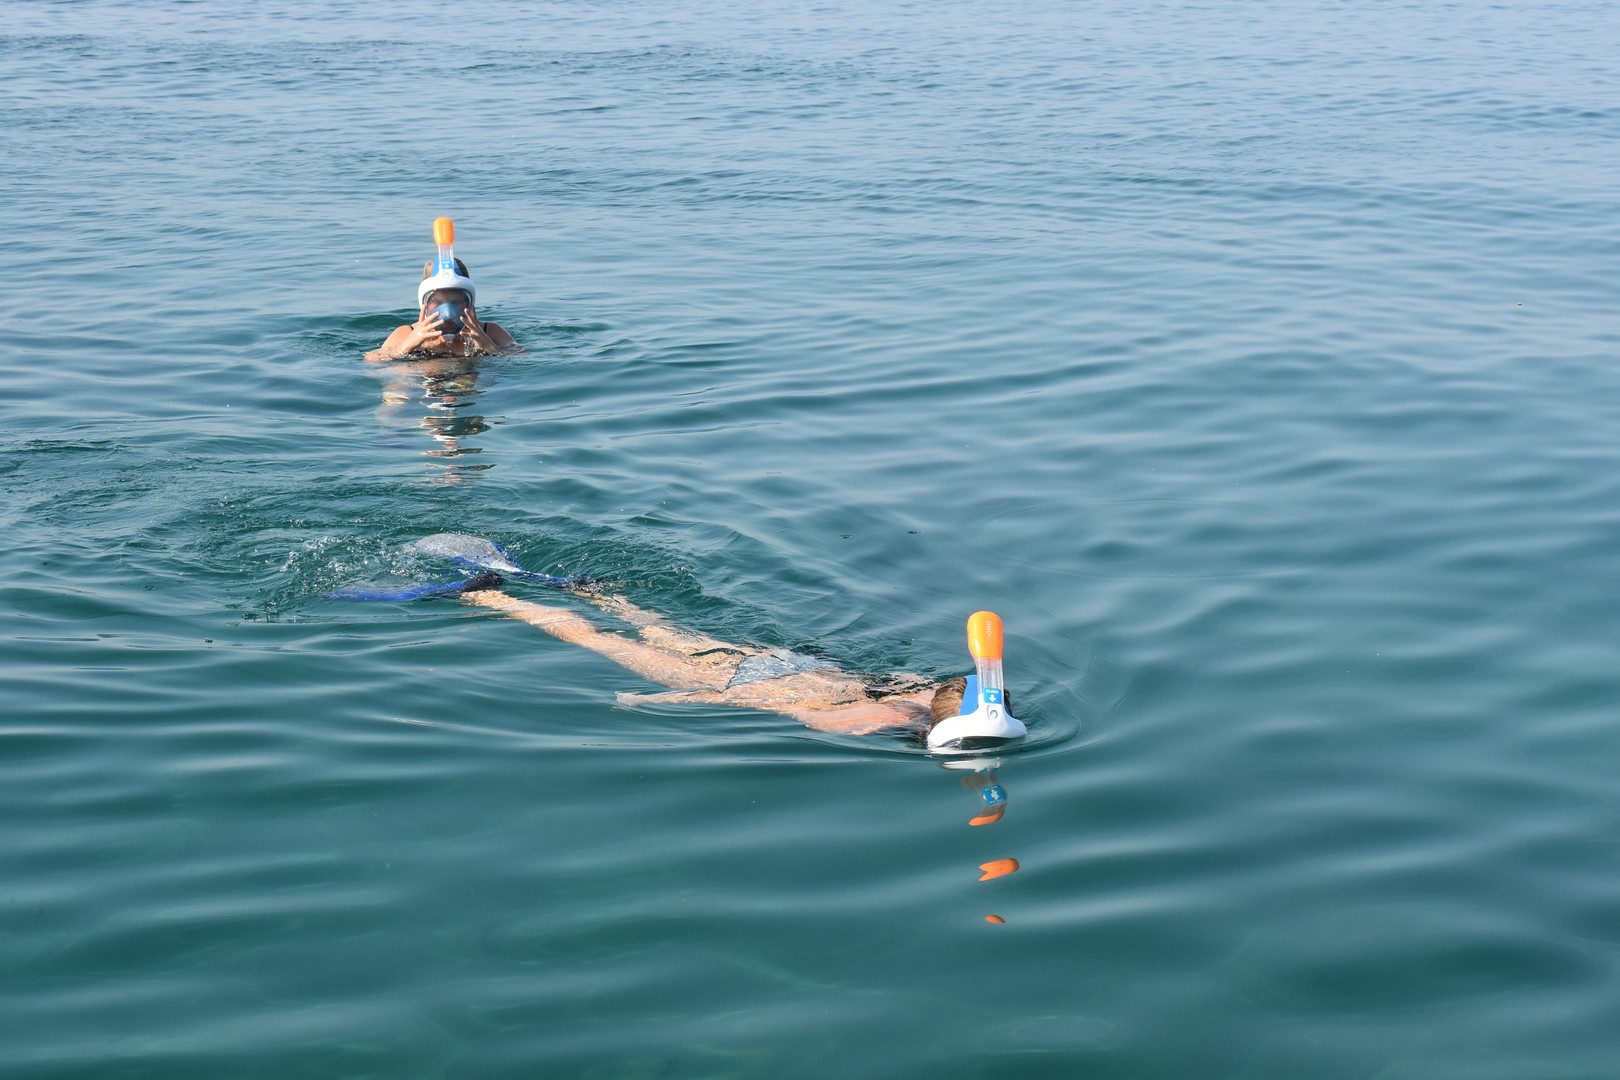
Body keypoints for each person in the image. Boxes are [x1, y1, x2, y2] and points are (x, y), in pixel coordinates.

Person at [453, 575, 1019, 743]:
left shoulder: (919, 687)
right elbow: (784, 710)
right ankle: (488, 596)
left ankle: (593, 590)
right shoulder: (885, 718)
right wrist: (671, 699)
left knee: (659, 627)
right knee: (602, 643)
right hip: (743, 680)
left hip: (779, 659)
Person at [366, 255, 518, 362]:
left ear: (470, 302)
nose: (448, 311)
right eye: (437, 301)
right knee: (396, 400)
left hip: (469, 385)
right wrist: (407, 346)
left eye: (457, 301)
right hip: (423, 386)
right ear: (424, 302)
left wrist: (488, 345)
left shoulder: (488, 331)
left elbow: (521, 358)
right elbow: (372, 360)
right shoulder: (408, 333)